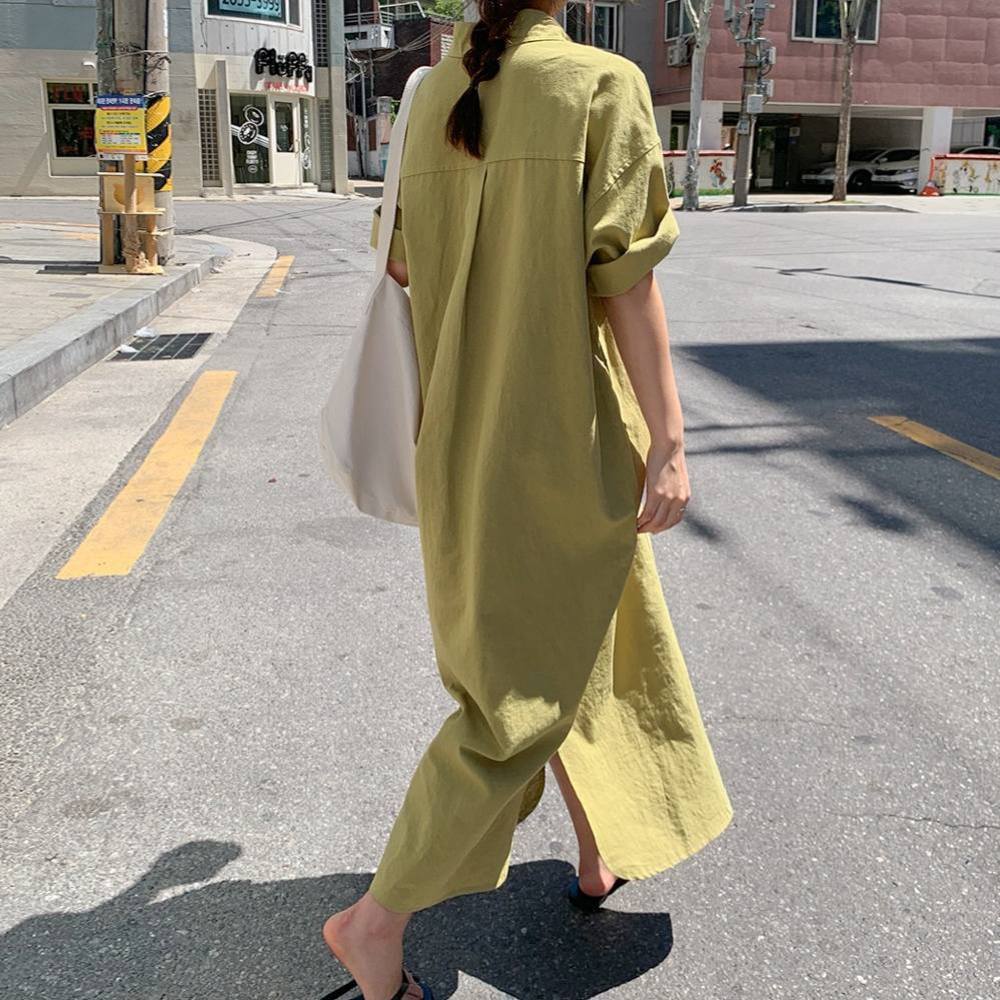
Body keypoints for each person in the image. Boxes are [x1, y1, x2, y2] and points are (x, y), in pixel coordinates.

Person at [323, 3, 733, 997]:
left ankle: (600, 849)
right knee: (512, 703)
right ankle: (376, 923)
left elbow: (403, 265)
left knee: (591, 638)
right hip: (562, 444)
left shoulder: (431, 95)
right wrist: (670, 443)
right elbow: (627, 286)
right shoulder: (600, 85)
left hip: (456, 444)